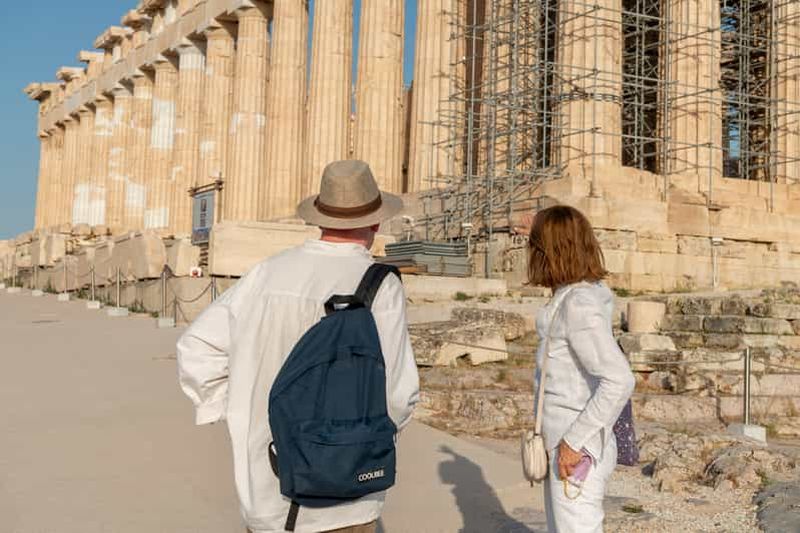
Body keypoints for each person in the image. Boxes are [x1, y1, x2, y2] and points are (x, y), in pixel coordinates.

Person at [177, 160, 420, 533]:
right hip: (346, 498)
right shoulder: (379, 285)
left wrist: (241, 409)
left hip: (266, 488)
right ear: (376, 221)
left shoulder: (267, 273)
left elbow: (197, 347)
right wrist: (360, 441)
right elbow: (399, 395)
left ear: (320, 218)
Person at [527, 205, 635, 532]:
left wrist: (573, 442)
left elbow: (619, 379)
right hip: (565, 442)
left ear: (550, 251)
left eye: (534, 244)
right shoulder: (571, 298)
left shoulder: (579, 304)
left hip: (577, 447)